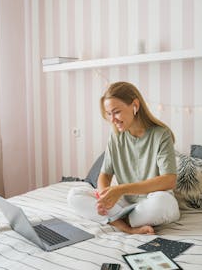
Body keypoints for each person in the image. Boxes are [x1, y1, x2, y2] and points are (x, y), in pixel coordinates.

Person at [68, 81, 180, 234]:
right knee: (74, 195)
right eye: (109, 114)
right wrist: (104, 198)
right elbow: (105, 175)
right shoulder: (115, 137)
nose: (112, 119)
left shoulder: (161, 134)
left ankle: (116, 218)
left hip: (153, 200)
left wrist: (121, 190)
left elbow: (169, 180)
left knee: (161, 204)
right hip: (126, 203)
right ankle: (125, 227)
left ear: (135, 105)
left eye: (116, 112)